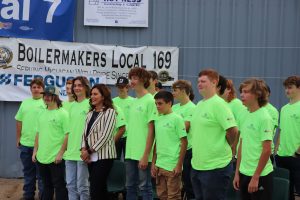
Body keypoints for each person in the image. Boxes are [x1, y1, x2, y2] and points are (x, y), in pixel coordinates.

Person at [190, 69, 238, 200]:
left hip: (216, 167)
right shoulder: (199, 104)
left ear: (214, 82)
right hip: (198, 165)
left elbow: (233, 131)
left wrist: (229, 147)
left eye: (203, 81)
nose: (199, 84)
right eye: (198, 81)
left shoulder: (219, 104)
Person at [233, 79, 274, 200]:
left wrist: (255, 177)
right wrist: (237, 173)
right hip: (243, 173)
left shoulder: (264, 117)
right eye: (241, 91)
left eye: (246, 92)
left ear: (258, 94)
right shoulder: (244, 114)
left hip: (260, 175)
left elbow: (266, 150)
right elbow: (242, 144)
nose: (241, 95)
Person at [125, 67, 158, 200]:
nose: (132, 81)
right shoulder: (134, 102)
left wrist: (145, 155)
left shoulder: (150, 100)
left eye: (135, 78)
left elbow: (152, 130)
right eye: (131, 78)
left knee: (144, 187)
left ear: (143, 80)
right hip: (130, 152)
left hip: (143, 153)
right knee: (130, 186)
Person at [80, 84, 117, 200]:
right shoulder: (90, 113)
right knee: (100, 188)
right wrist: (83, 149)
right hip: (90, 156)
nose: (92, 96)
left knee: (95, 188)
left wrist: (89, 151)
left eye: (95, 94)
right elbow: (84, 134)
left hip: (104, 156)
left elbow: (106, 135)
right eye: (91, 94)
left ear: (103, 96)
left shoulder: (110, 112)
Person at [32, 86, 69, 200]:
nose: (46, 98)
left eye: (49, 95)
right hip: (42, 157)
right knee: (46, 186)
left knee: (59, 186)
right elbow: (38, 134)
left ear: (56, 97)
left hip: (55, 158)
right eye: (45, 95)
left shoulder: (63, 113)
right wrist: (35, 152)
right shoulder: (41, 113)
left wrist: (60, 153)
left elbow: (68, 135)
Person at [151, 91, 187, 200]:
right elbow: (157, 142)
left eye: (160, 103)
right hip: (160, 165)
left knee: (173, 197)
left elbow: (184, 142)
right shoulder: (157, 119)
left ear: (169, 103)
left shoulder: (177, 119)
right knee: (161, 196)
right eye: (156, 104)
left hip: (172, 166)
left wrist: (179, 165)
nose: (157, 106)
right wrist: (153, 163)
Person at [15, 78, 45, 200]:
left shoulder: (47, 103)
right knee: (28, 173)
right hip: (26, 144)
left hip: (42, 145)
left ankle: (43, 196)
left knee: (42, 175)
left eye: (38, 87)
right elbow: (18, 120)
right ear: (31, 89)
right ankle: (28, 196)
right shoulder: (25, 103)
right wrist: (18, 138)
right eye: (34, 87)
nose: (36, 89)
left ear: (43, 89)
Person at [64, 76, 90, 200]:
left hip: (82, 152)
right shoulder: (71, 106)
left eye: (80, 85)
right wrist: (63, 150)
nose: (77, 88)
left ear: (85, 87)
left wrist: (87, 149)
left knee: (82, 187)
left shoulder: (90, 104)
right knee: (70, 185)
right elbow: (67, 132)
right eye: (75, 86)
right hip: (70, 152)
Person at [275, 76, 300, 200]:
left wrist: (298, 152)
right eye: (286, 88)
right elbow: (281, 130)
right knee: (286, 192)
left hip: (296, 156)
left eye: (290, 87)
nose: (287, 91)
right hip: (282, 156)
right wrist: (276, 150)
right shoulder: (284, 109)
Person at [171, 79, 195, 199]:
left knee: (188, 182)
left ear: (183, 91)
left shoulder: (192, 108)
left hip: (187, 151)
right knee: (174, 183)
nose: (173, 93)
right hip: (173, 150)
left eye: (175, 90)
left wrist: (170, 128)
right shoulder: (174, 108)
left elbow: (185, 127)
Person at [113, 76, 134, 159]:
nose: (121, 89)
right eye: (119, 86)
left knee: (128, 161)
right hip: (116, 135)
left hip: (128, 136)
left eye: (123, 86)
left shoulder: (134, 101)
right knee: (115, 161)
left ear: (127, 87)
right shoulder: (112, 102)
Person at [263, 85, 279, 163]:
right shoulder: (251, 109)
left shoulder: (272, 111)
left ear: (268, 94)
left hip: (265, 152)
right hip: (250, 152)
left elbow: (270, 133)